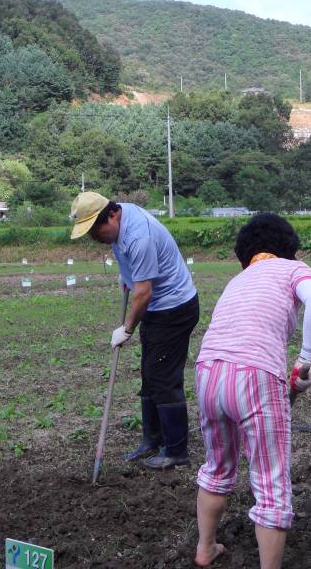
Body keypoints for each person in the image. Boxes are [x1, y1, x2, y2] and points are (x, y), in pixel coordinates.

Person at [192, 213, 311, 569]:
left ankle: (205, 549)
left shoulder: (239, 279)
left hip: (208, 371)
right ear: (289, 248)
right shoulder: (293, 268)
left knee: (217, 467)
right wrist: (305, 360)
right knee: (271, 483)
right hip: (255, 375)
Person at [69, 192, 199, 469]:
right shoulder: (120, 218)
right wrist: (126, 275)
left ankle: (176, 451)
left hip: (173, 309)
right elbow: (134, 274)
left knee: (163, 378)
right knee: (150, 375)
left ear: (112, 216)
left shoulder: (140, 236)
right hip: (155, 309)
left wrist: (126, 329)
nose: (95, 239)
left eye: (96, 231)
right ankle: (152, 441)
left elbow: (144, 293)